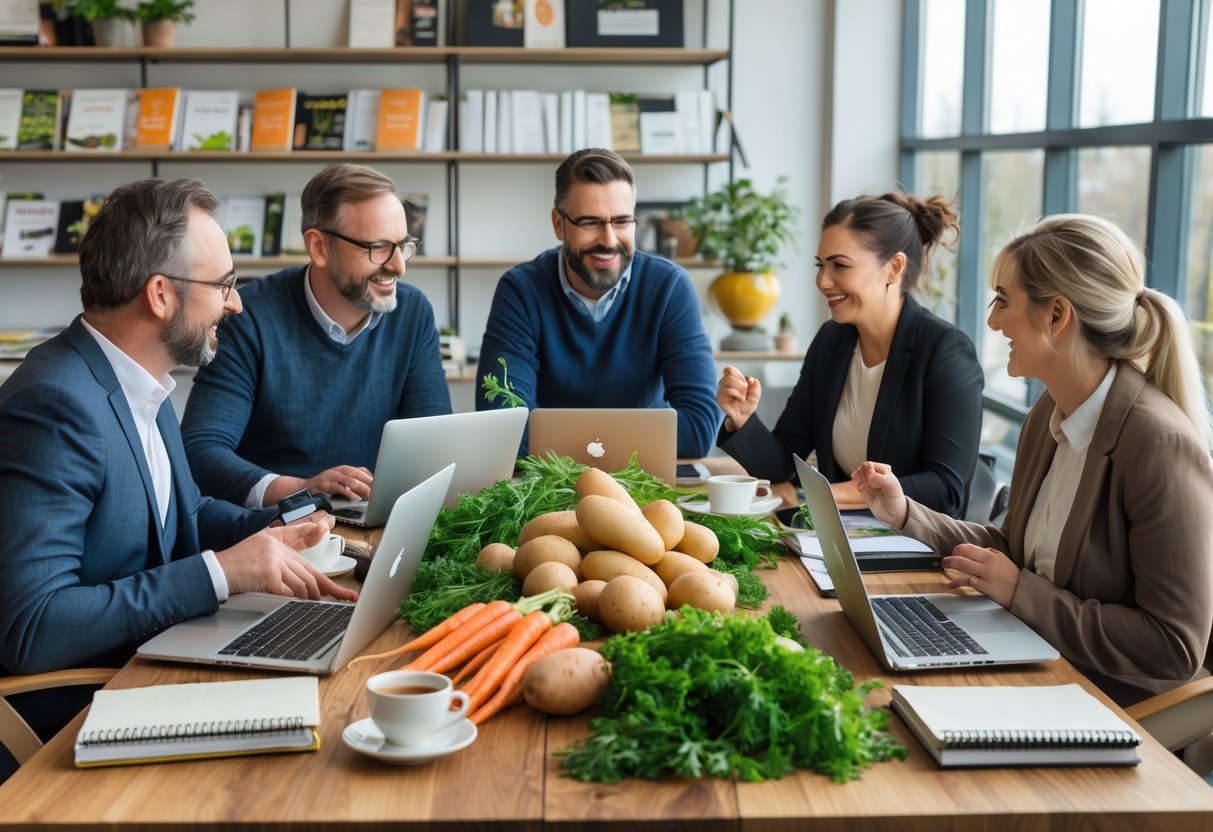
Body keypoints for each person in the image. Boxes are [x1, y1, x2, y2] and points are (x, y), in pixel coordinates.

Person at [0, 178, 357, 780]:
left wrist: (294, 521)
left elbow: (183, 518)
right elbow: (32, 628)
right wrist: (221, 572)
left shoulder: (147, 384)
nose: (236, 304)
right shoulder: (54, 405)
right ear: (160, 295)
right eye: (223, 285)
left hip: (150, 661)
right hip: (79, 714)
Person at [855, 214, 1213, 706]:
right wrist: (905, 513)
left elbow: (1174, 647)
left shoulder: (1158, 443)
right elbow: (1017, 552)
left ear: (1057, 315)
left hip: (1109, 704)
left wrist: (1021, 592)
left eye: (1003, 301)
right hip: (1037, 661)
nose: (992, 321)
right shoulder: (1049, 410)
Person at [181, 163, 451, 509]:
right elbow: (200, 449)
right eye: (378, 247)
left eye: (403, 245)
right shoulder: (248, 316)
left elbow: (434, 442)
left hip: (378, 516)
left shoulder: (413, 313)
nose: (398, 266)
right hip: (277, 527)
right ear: (319, 247)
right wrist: (300, 488)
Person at [716, 192, 983, 517]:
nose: (823, 281)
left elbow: (947, 491)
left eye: (840, 265)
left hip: (913, 548)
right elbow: (783, 463)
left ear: (894, 268)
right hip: (840, 536)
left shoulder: (945, 350)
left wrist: (824, 494)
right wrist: (742, 419)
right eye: (821, 265)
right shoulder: (832, 340)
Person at [474, 148, 718, 459]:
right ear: (559, 224)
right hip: (548, 484)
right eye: (590, 222)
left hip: (644, 480)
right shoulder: (521, 290)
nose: (608, 239)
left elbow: (699, 428)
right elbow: (503, 428)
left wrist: (568, 439)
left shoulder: (669, 288)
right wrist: (638, 438)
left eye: (621, 221)